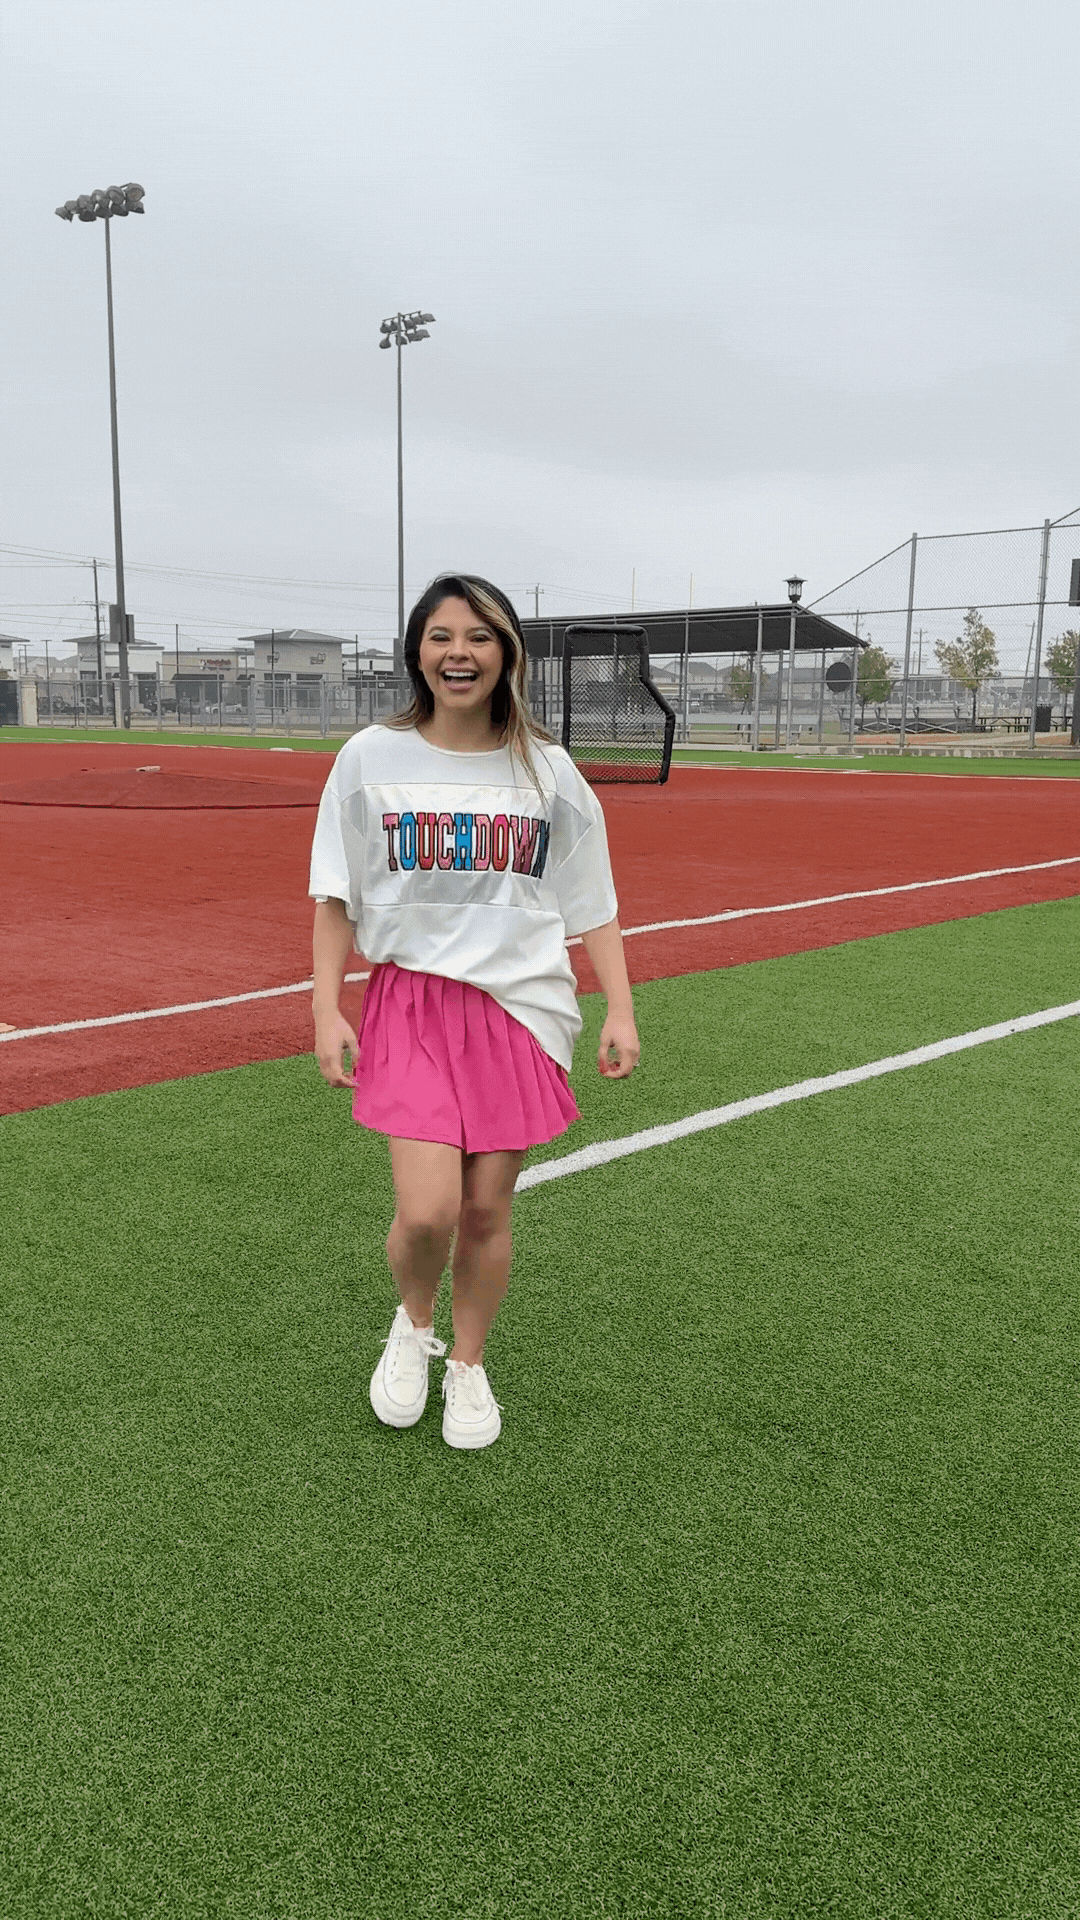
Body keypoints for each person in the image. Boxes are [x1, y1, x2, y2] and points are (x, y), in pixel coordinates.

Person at [309, 572, 639, 1451]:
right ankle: (412, 1326)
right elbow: (334, 894)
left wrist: (620, 1009)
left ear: (507, 653)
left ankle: (467, 1363)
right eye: (442, 636)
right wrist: (325, 1008)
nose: (460, 653)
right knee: (427, 1211)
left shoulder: (547, 769)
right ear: (417, 651)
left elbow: (592, 899)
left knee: (488, 1211)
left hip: (521, 1008)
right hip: (411, 1004)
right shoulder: (368, 760)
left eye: (481, 636)